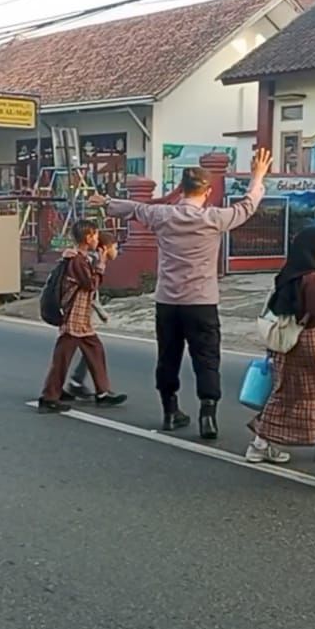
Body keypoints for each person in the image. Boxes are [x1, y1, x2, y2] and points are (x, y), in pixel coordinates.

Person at [91, 147, 273, 438]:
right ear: (208, 192)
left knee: (168, 357)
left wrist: (107, 202)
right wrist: (258, 176)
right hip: (201, 302)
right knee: (207, 358)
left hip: (168, 301)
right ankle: (208, 416)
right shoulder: (214, 218)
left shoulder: (162, 215)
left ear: (181, 189)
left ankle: (170, 411)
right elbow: (247, 206)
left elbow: (135, 208)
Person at [246, 227, 315, 464]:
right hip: (304, 340)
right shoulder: (313, 277)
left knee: (288, 391)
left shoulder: (291, 272)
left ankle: (261, 444)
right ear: (314, 248)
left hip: (287, 340)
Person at [38, 220, 127, 413]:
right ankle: (49, 397)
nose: (97, 239)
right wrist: (101, 265)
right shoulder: (78, 260)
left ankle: (102, 392)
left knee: (95, 350)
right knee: (62, 359)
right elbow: (90, 284)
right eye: (95, 235)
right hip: (73, 317)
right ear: (88, 238)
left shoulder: (81, 258)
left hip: (81, 318)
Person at [63, 231, 119, 402]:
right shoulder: (93, 260)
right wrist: (101, 313)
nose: (117, 251)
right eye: (115, 247)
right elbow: (89, 288)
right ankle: (63, 388)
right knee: (83, 350)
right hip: (78, 314)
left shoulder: (94, 259)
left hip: (81, 314)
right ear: (106, 248)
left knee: (90, 350)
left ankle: (74, 384)